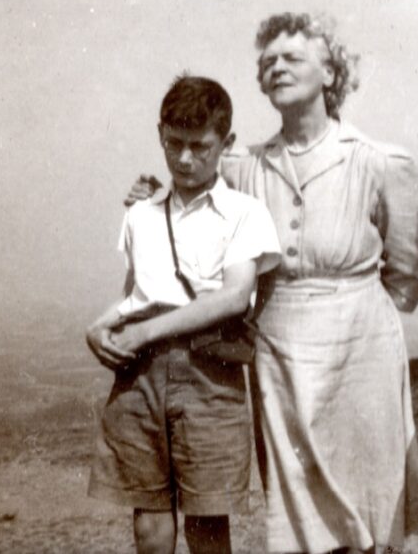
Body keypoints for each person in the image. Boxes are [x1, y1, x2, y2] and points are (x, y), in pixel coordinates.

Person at [128, 13, 418, 553]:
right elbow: (194, 196)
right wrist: (149, 193)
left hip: (363, 352)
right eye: (267, 60)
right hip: (280, 355)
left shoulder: (380, 162)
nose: (276, 67)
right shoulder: (245, 167)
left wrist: (347, 305)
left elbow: (407, 276)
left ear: (331, 72)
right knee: (297, 513)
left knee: (365, 504)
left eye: (292, 57)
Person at [87, 75, 281, 554]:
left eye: (201, 146)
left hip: (209, 378)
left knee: (208, 524)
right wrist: (98, 326)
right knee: (149, 520)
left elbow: (235, 296)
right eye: (174, 144)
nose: (186, 159)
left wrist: (142, 331)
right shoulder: (142, 214)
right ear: (160, 135)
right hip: (140, 377)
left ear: (225, 143)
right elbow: (139, 293)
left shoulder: (245, 213)